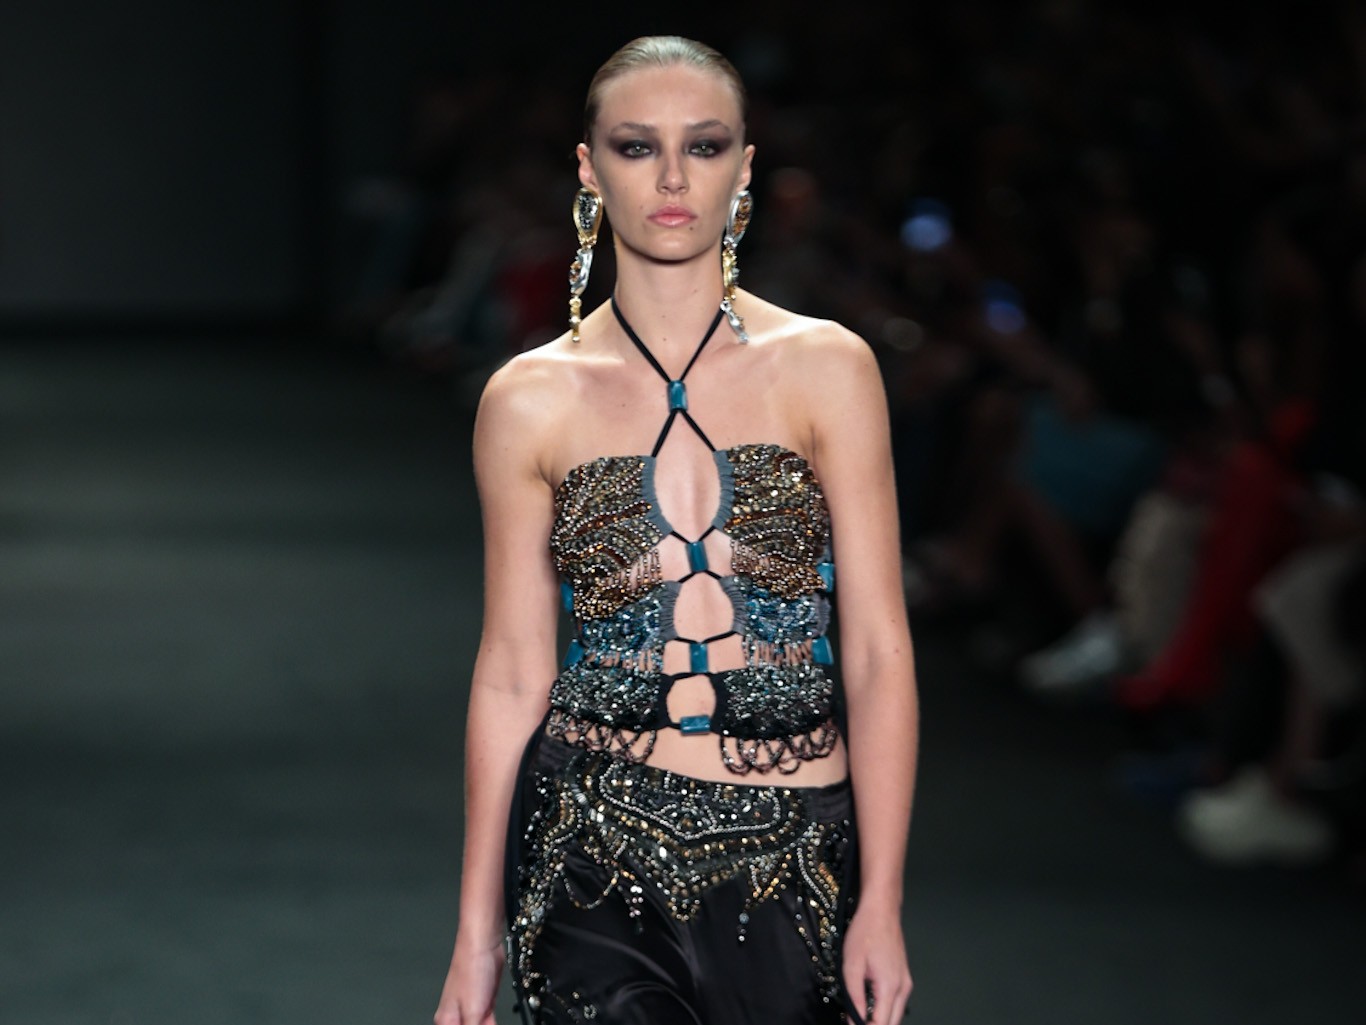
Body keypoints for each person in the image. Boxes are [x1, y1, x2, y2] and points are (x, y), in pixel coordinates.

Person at [434, 36, 918, 1025]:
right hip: (588, 852)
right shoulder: (526, 399)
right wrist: (475, 934)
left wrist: (884, 899)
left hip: (797, 853)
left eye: (702, 146)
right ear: (588, 168)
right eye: (635, 145)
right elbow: (513, 668)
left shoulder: (829, 368)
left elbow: (876, 646)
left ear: (744, 166)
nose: (670, 177)